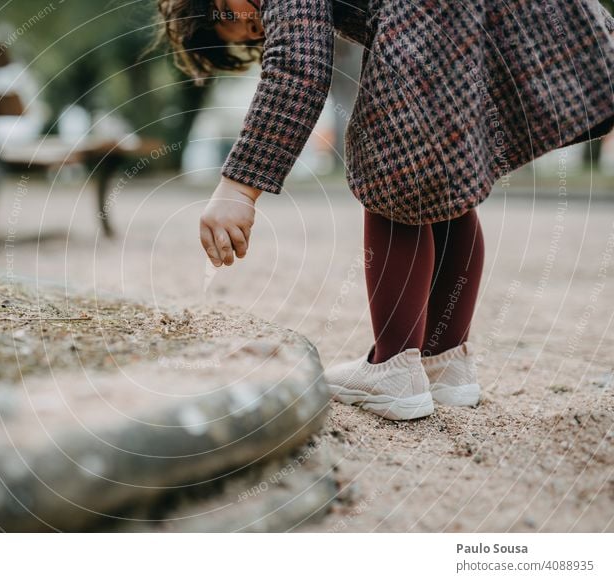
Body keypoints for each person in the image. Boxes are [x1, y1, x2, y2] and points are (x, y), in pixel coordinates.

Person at [154, 0, 614, 420]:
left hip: (431, 19)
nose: (262, 29)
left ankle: (393, 368)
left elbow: (298, 67)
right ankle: (444, 361)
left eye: (251, 23)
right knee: (441, 171)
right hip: (481, 19)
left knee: (391, 160)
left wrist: (239, 188)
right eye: (254, 35)